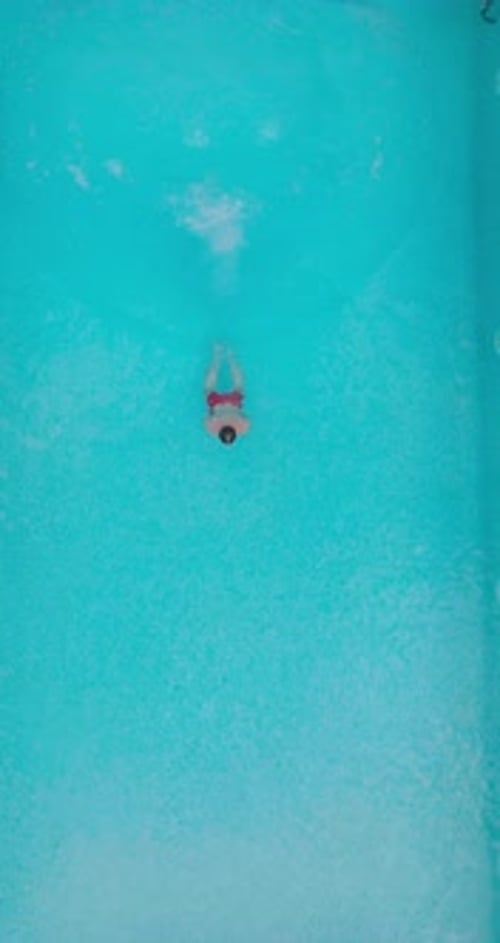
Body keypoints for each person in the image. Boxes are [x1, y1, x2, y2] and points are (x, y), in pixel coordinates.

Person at [204, 344, 250, 445]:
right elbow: (208, 416)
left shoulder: (243, 427)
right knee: (208, 388)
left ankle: (229, 356)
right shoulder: (211, 428)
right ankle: (217, 356)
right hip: (217, 403)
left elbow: (245, 415)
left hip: (233, 402)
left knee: (239, 386)